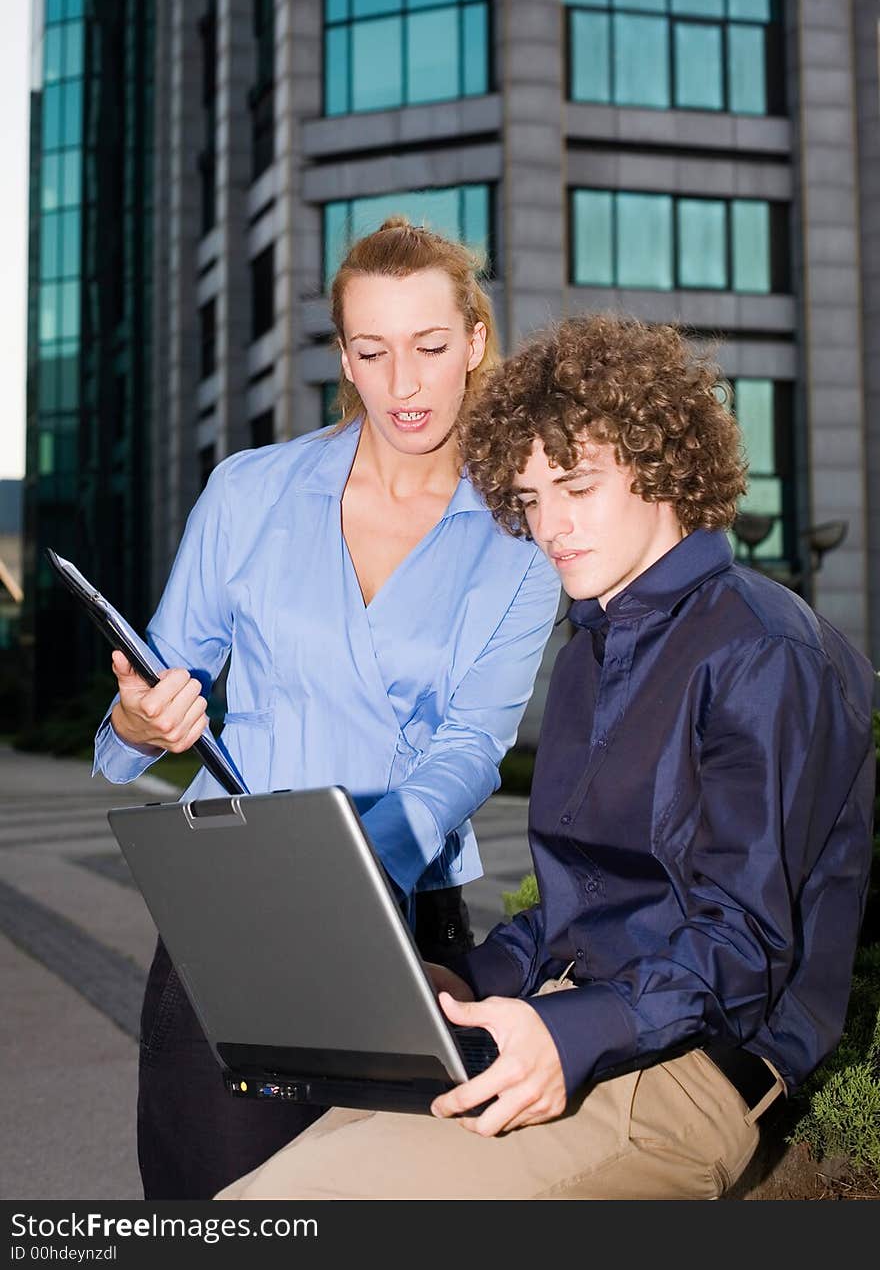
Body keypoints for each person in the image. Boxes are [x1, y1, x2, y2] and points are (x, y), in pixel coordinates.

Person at [215, 313, 876, 1202]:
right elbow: (581, 906)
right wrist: (464, 983)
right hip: (566, 1023)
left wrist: (567, 1036)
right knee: (251, 1199)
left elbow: (741, 949)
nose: (550, 526)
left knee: (287, 1211)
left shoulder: (765, 651)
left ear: (661, 463)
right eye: (529, 500)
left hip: (684, 1073)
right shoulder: (590, 649)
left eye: (575, 486)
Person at [93, 216, 561, 1200]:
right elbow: (142, 702)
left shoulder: (522, 538)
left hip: (409, 918)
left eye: (430, 347)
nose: (402, 383)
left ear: (473, 340)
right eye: (372, 350)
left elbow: (475, 741)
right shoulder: (248, 493)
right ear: (343, 355)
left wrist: (360, 866)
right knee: (211, 1204)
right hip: (239, 899)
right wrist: (141, 723)